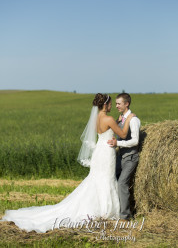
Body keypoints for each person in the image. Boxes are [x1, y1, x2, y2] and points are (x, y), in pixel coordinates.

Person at [1, 93, 134, 233]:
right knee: (106, 178)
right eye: (111, 103)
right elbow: (124, 135)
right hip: (107, 152)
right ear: (105, 104)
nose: (112, 106)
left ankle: (102, 209)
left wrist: (117, 123)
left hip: (98, 152)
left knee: (97, 179)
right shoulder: (109, 118)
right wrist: (128, 119)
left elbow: (107, 130)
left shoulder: (95, 119)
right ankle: (107, 210)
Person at [107, 93, 140, 220]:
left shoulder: (134, 120)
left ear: (126, 104)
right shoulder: (121, 118)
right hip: (120, 157)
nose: (116, 106)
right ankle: (115, 210)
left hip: (131, 157)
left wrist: (118, 143)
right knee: (112, 179)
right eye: (115, 103)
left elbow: (135, 141)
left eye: (119, 103)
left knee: (122, 183)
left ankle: (126, 216)